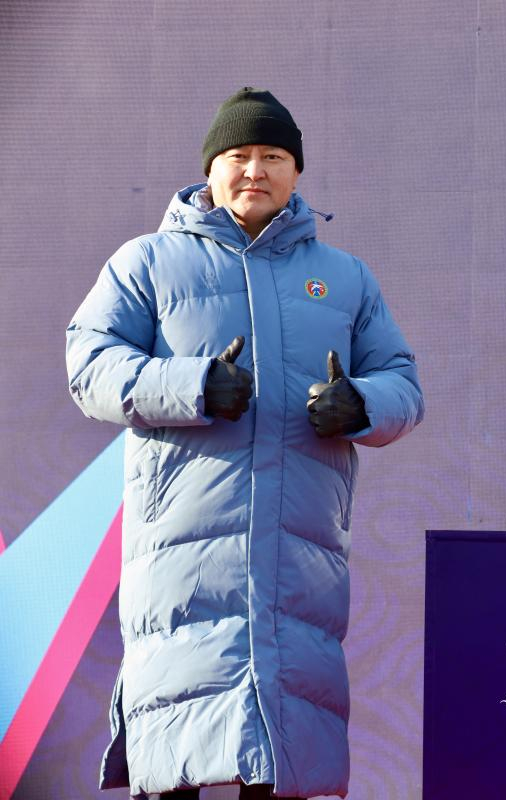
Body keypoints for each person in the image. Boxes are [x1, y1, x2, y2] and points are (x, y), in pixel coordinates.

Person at [66, 87, 424, 799]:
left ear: (297, 172)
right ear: (210, 168)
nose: (255, 170)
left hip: (300, 557)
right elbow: (90, 366)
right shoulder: (147, 262)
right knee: (176, 756)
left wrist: (359, 404)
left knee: (281, 763)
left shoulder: (345, 278)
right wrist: (192, 385)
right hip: (183, 557)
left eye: (273, 156)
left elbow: (403, 386)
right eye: (238, 155)